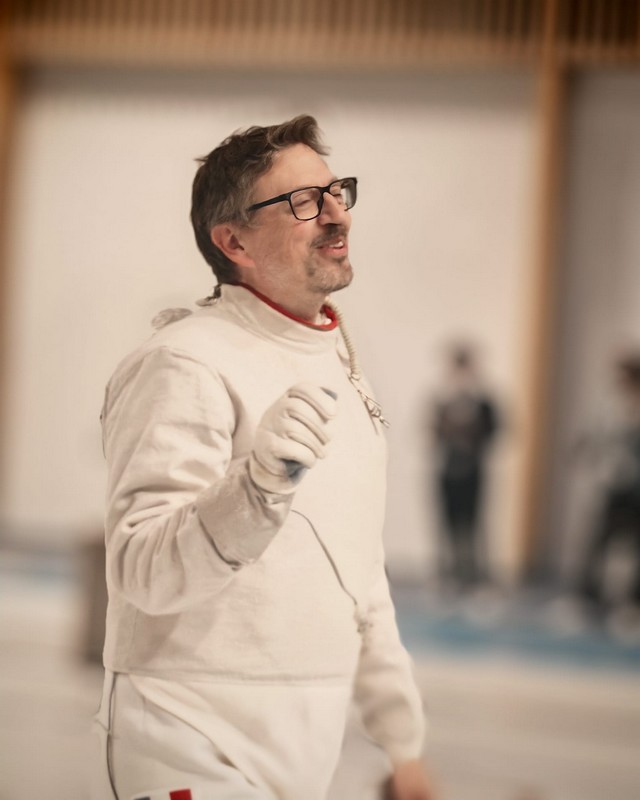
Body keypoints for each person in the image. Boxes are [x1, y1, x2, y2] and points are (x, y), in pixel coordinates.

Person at [91, 115, 435, 800]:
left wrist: (402, 745)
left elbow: (361, 575)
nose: (335, 214)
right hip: (190, 734)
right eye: (303, 201)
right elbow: (141, 571)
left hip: (309, 742)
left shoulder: (341, 368)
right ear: (234, 241)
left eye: (336, 191)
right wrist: (256, 490)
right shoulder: (183, 361)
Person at [429, 342, 500, 590]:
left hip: (473, 471)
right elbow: (434, 432)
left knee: (473, 523)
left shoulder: (482, 403)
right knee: (447, 522)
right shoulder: (443, 402)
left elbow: (494, 432)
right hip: (448, 470)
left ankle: (474, 574)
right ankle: (450, 573)